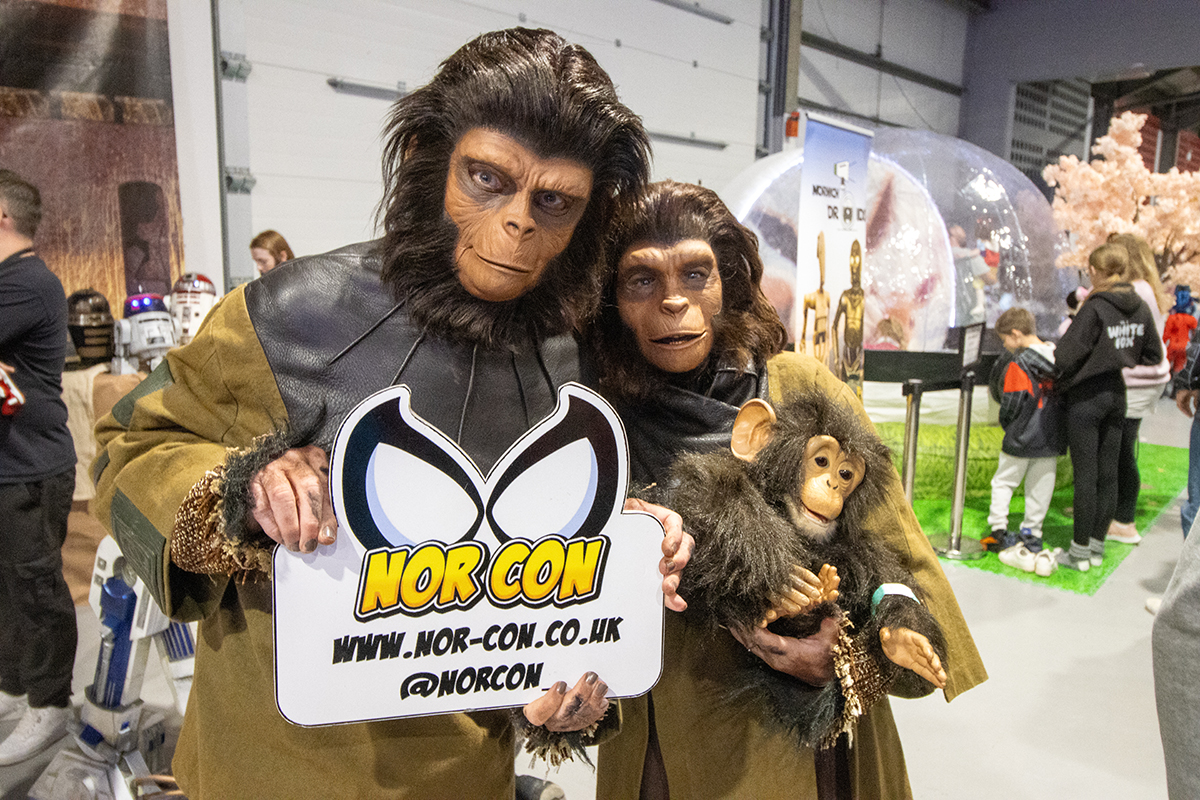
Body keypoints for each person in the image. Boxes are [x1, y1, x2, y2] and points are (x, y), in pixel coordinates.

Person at [91, 28, 684, 798]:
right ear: (424, 158)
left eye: (555, 201)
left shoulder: (573, 361)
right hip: (274, 770)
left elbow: (561, 602)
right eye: (486, 178)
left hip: (465, 777)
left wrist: (572, 680)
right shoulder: (288, 314)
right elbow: (130, 444)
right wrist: (235, 492)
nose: (518, 223)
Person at [585, 181, 986, 799]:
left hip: (808, 730)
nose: (673, 300)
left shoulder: (799, 386)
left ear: (729, 284)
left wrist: (848, 658)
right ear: (610, 299)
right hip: (669, 725)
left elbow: (894, 552)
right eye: (642, 279)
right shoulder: (594, 410)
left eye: (696, 273)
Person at [0, 169, 78, 765]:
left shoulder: (29, 282)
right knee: (7, 590)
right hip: (9, 465)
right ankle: (14, 687)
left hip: (30, 466)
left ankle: (50, 705)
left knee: (36, 587)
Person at [1054, 243, 1163, 572]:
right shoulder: (1139, 304)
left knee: (1086, 476)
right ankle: (1097, 547)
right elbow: (1153, 355)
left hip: (1087, 397)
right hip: (1118, 395)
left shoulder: (1096, 306)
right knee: (1108, 473)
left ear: (1095, 271)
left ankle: (1078, 552)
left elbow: (1065, 355)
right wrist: (1118, 355)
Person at [982, 307, 1064, 572]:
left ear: (1016, 334)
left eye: (1005, 339)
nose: (1005, 345)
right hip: (1050, 436)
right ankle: (1032, 534)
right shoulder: (1059, 358)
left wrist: (1009, 425)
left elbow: (1012, 402)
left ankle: (998, 530)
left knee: (1004, 482)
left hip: (1020, 436)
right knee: (1041, 486)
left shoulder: (1018, 364)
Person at [1106, 233, 1172, 544]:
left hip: (1137, 380)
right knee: (1123, 448)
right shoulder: (1147, 288)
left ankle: (1123, 521)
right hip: (1145, 378)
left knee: (1121, 452)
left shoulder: (1135, 291)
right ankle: (1117, 514)